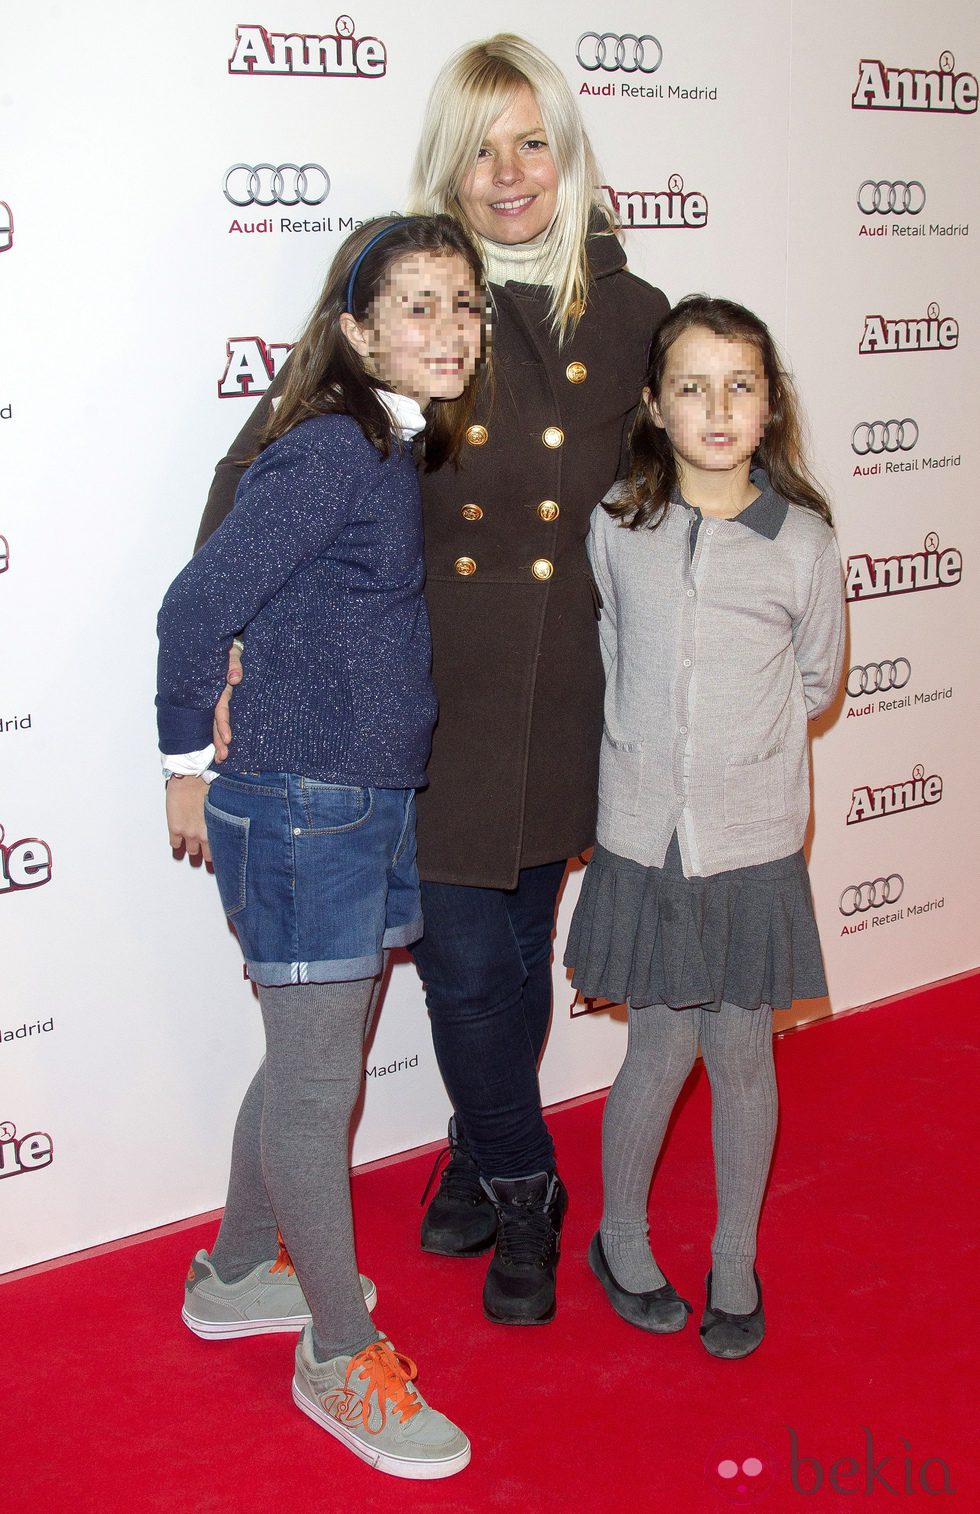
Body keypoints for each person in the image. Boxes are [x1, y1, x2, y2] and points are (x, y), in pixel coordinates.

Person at [198, 34, 669, 1327]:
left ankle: (472, 1142)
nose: (508, 171)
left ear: (569, 153)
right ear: (444, 163)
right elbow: (260, 465)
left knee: (518, 951)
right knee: (467, 964)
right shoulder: (404, 288)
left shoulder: (628, 310)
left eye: (532, 140)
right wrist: (230, 649)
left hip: (562, 684)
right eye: (480, 144)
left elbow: (688, 466)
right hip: (427, 693)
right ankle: (528, 1183)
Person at [158, 215, 485, 1478]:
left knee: (308, 1053)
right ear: (354, 330)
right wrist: (186, 763)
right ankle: (336, 1350)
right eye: (416, 306)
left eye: (460, 304)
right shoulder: (336, 451)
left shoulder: (386, 441)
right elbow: (196, 603)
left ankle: (241, 1268)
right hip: (303, 805)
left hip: (352, 796)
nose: (449, 329)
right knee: (314, 1084)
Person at [565, 296, 845, 1359]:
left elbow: (813, 681)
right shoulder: (616, 527)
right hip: (644, 836)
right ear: (653, 405)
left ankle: (733, 1258)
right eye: (691, 384)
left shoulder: (800, 540)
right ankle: (620, 1239)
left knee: (738, 1049)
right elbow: (608, 650)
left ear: (769, 405)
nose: (716, 405)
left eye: (739, 383)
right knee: (657, 1043)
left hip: (750, 839)